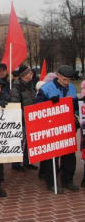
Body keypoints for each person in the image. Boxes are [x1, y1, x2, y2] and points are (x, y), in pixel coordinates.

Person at [36, 65, 79, 193]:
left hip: (67, 127)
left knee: (69, 156)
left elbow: (75, 105)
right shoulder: (46, 88)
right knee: (52, 157)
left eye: (69, 80)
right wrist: (50, 104)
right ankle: (51, 182)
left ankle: (67, 181)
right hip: (52, 128)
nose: (67, 83)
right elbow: (37, 108)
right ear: (58, 75)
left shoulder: (71, 88)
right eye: (64, 79)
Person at [9, 65, 38, 171]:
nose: (31, 75)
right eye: (28, 73)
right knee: (19, 141)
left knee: (30, 141)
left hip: (30, 118)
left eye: (31, 73)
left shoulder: (31, 85)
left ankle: (27, 161)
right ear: (23, 75)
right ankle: (16, 164)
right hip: (21, 119)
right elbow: (15, 103)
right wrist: (24, 116)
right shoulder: (16, 87)